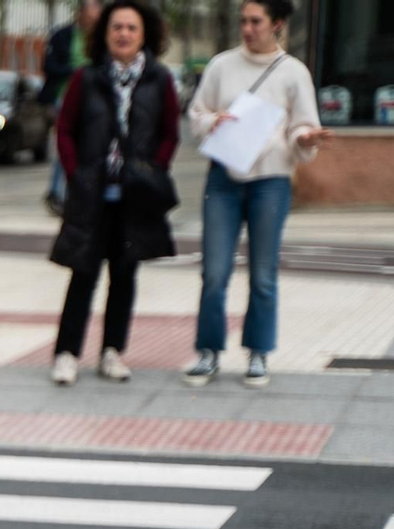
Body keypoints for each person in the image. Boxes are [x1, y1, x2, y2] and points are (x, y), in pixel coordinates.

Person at [185, 0, 330, 388]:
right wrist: (215, 120)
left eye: (255, 21)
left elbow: (302, 127)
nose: (247, 28)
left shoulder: (294, 73)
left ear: (277, 25)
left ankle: (258, 353)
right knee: (214, 272)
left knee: (263, 274)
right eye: (243, 21)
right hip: (223, 179)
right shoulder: (221, 65)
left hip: (271, 182)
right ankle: (208, 352)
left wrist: (306, 138)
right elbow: (196, 114)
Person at [47, 0, 180, 387]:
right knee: (82, 275)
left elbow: (170, 132)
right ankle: (67, 353)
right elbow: (66, 129)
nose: (123, 34)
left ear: (144, 35)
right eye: (116, 27)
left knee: (124, 277)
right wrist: (76, 174)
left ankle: (112, 352)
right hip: (93, 196)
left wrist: (153, 169)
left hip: (135, 198)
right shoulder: (85, 78)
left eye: (131, 28)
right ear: (104, 34)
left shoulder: (159, 80)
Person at [40, 0, 105, 216]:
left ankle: (73, 191)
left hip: (94, 98)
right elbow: (49, 66)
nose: (93, 16)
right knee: (65, 144)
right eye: (90, 10)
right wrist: (76, 72)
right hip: (65, 97)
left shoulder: (104, 37)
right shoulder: (63, 35)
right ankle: (58, 192)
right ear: (81, 13)